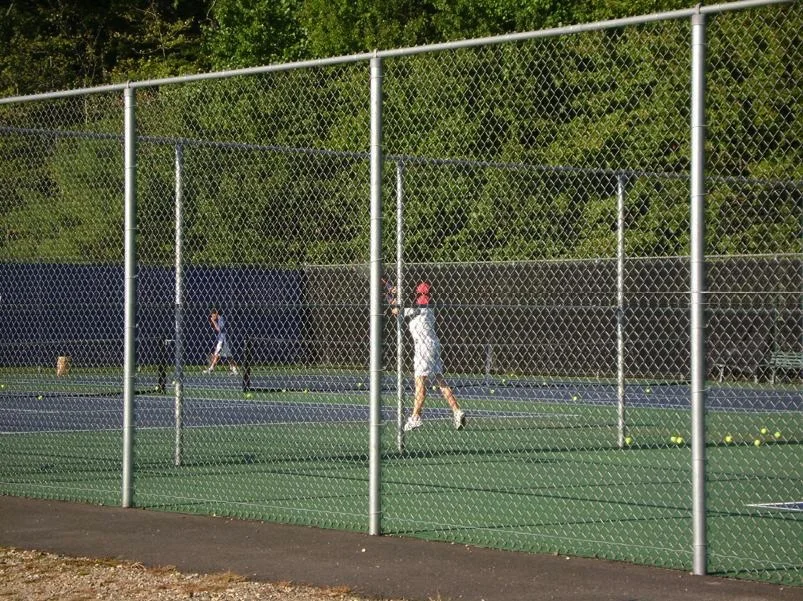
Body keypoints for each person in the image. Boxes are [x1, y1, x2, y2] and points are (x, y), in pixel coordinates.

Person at [391, 280, 465, 431]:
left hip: (424, 348)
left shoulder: (417, 308)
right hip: (434, 346)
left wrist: (391, 297)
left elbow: (395, 311)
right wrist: (395, 295)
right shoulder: (429, 307)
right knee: (440, 381)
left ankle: (416, 417)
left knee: (420, 382)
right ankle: (457, 411)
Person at [205, 308, 239, 374]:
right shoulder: (220, 319)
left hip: (223, 340)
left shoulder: (221, 319)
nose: (212, 317)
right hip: (222, 339)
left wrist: (213, 321)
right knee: (226, 355)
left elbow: (219, 329)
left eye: (212, 315)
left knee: (217, 354)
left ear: (216, 313)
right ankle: (234, 370)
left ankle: (211, 369)